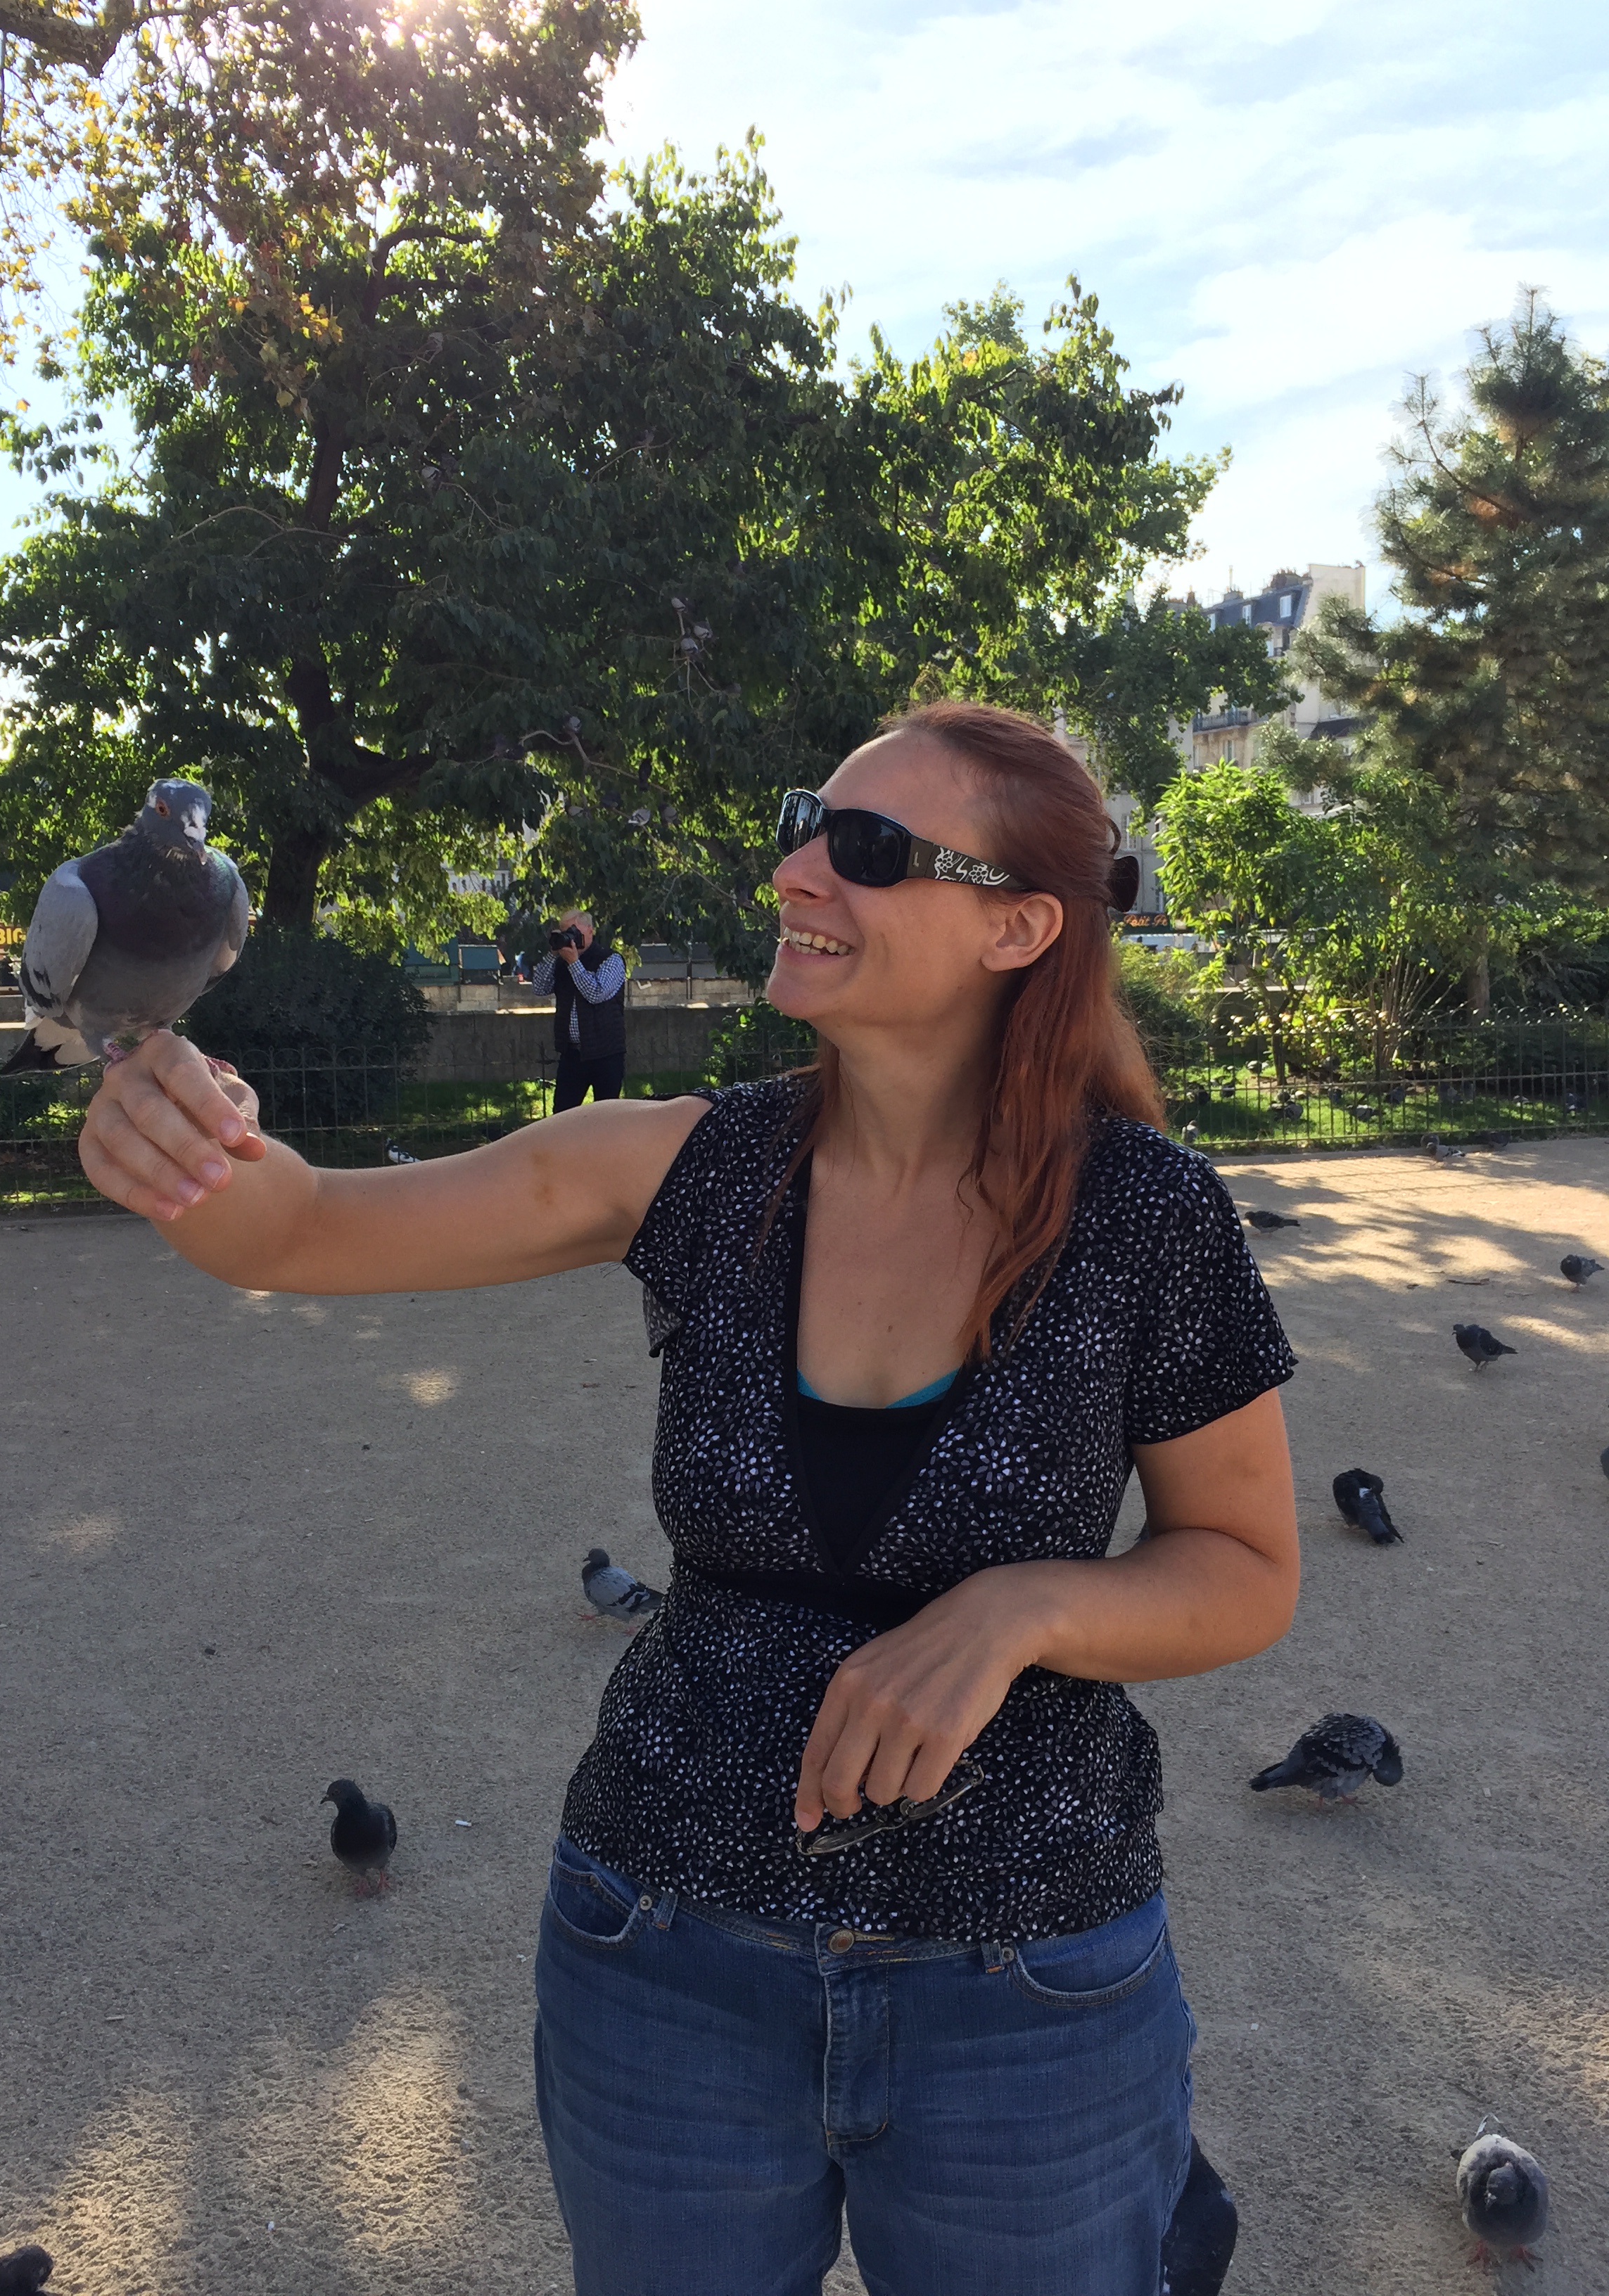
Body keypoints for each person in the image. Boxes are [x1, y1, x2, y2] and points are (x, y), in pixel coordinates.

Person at [76, 700, 1299, 2296]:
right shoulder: (686, 1166)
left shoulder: (1148, 1213)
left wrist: (1024, 1605)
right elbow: (301, 1229)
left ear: (1017, 925)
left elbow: (1245, 1567)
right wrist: (170, 1123)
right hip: (657, 1961)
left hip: (1027, 1990)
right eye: (804, 820)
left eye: (862, 848)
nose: (795, 867)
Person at [530, 909, 627, 1111]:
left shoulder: (611, 960)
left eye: (574, 931)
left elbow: (596, 993)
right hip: (572, 1053)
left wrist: (574, 963)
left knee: (606, 1117)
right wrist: (554, 953)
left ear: (590, 931)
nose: (570, 937)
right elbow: (539, 988)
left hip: (606, 1053)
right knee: (562, 1116)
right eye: (565, 932)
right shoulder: (560, 962)